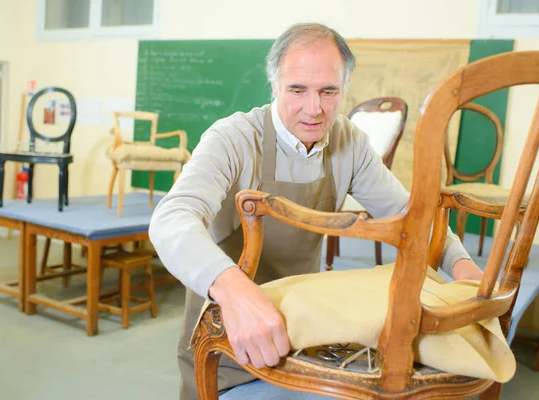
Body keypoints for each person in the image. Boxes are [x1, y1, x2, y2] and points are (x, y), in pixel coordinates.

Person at [149, 22, 484, 400]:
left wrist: (461, 265)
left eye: (329, 92)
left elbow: (411, 216)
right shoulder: (233, 139)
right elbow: (171, 218)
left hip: (301, 330)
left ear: (344, 89)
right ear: (273, 85)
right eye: (297, 90)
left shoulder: (349, 142)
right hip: (226, 332)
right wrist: (236, 292)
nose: (314, 109)